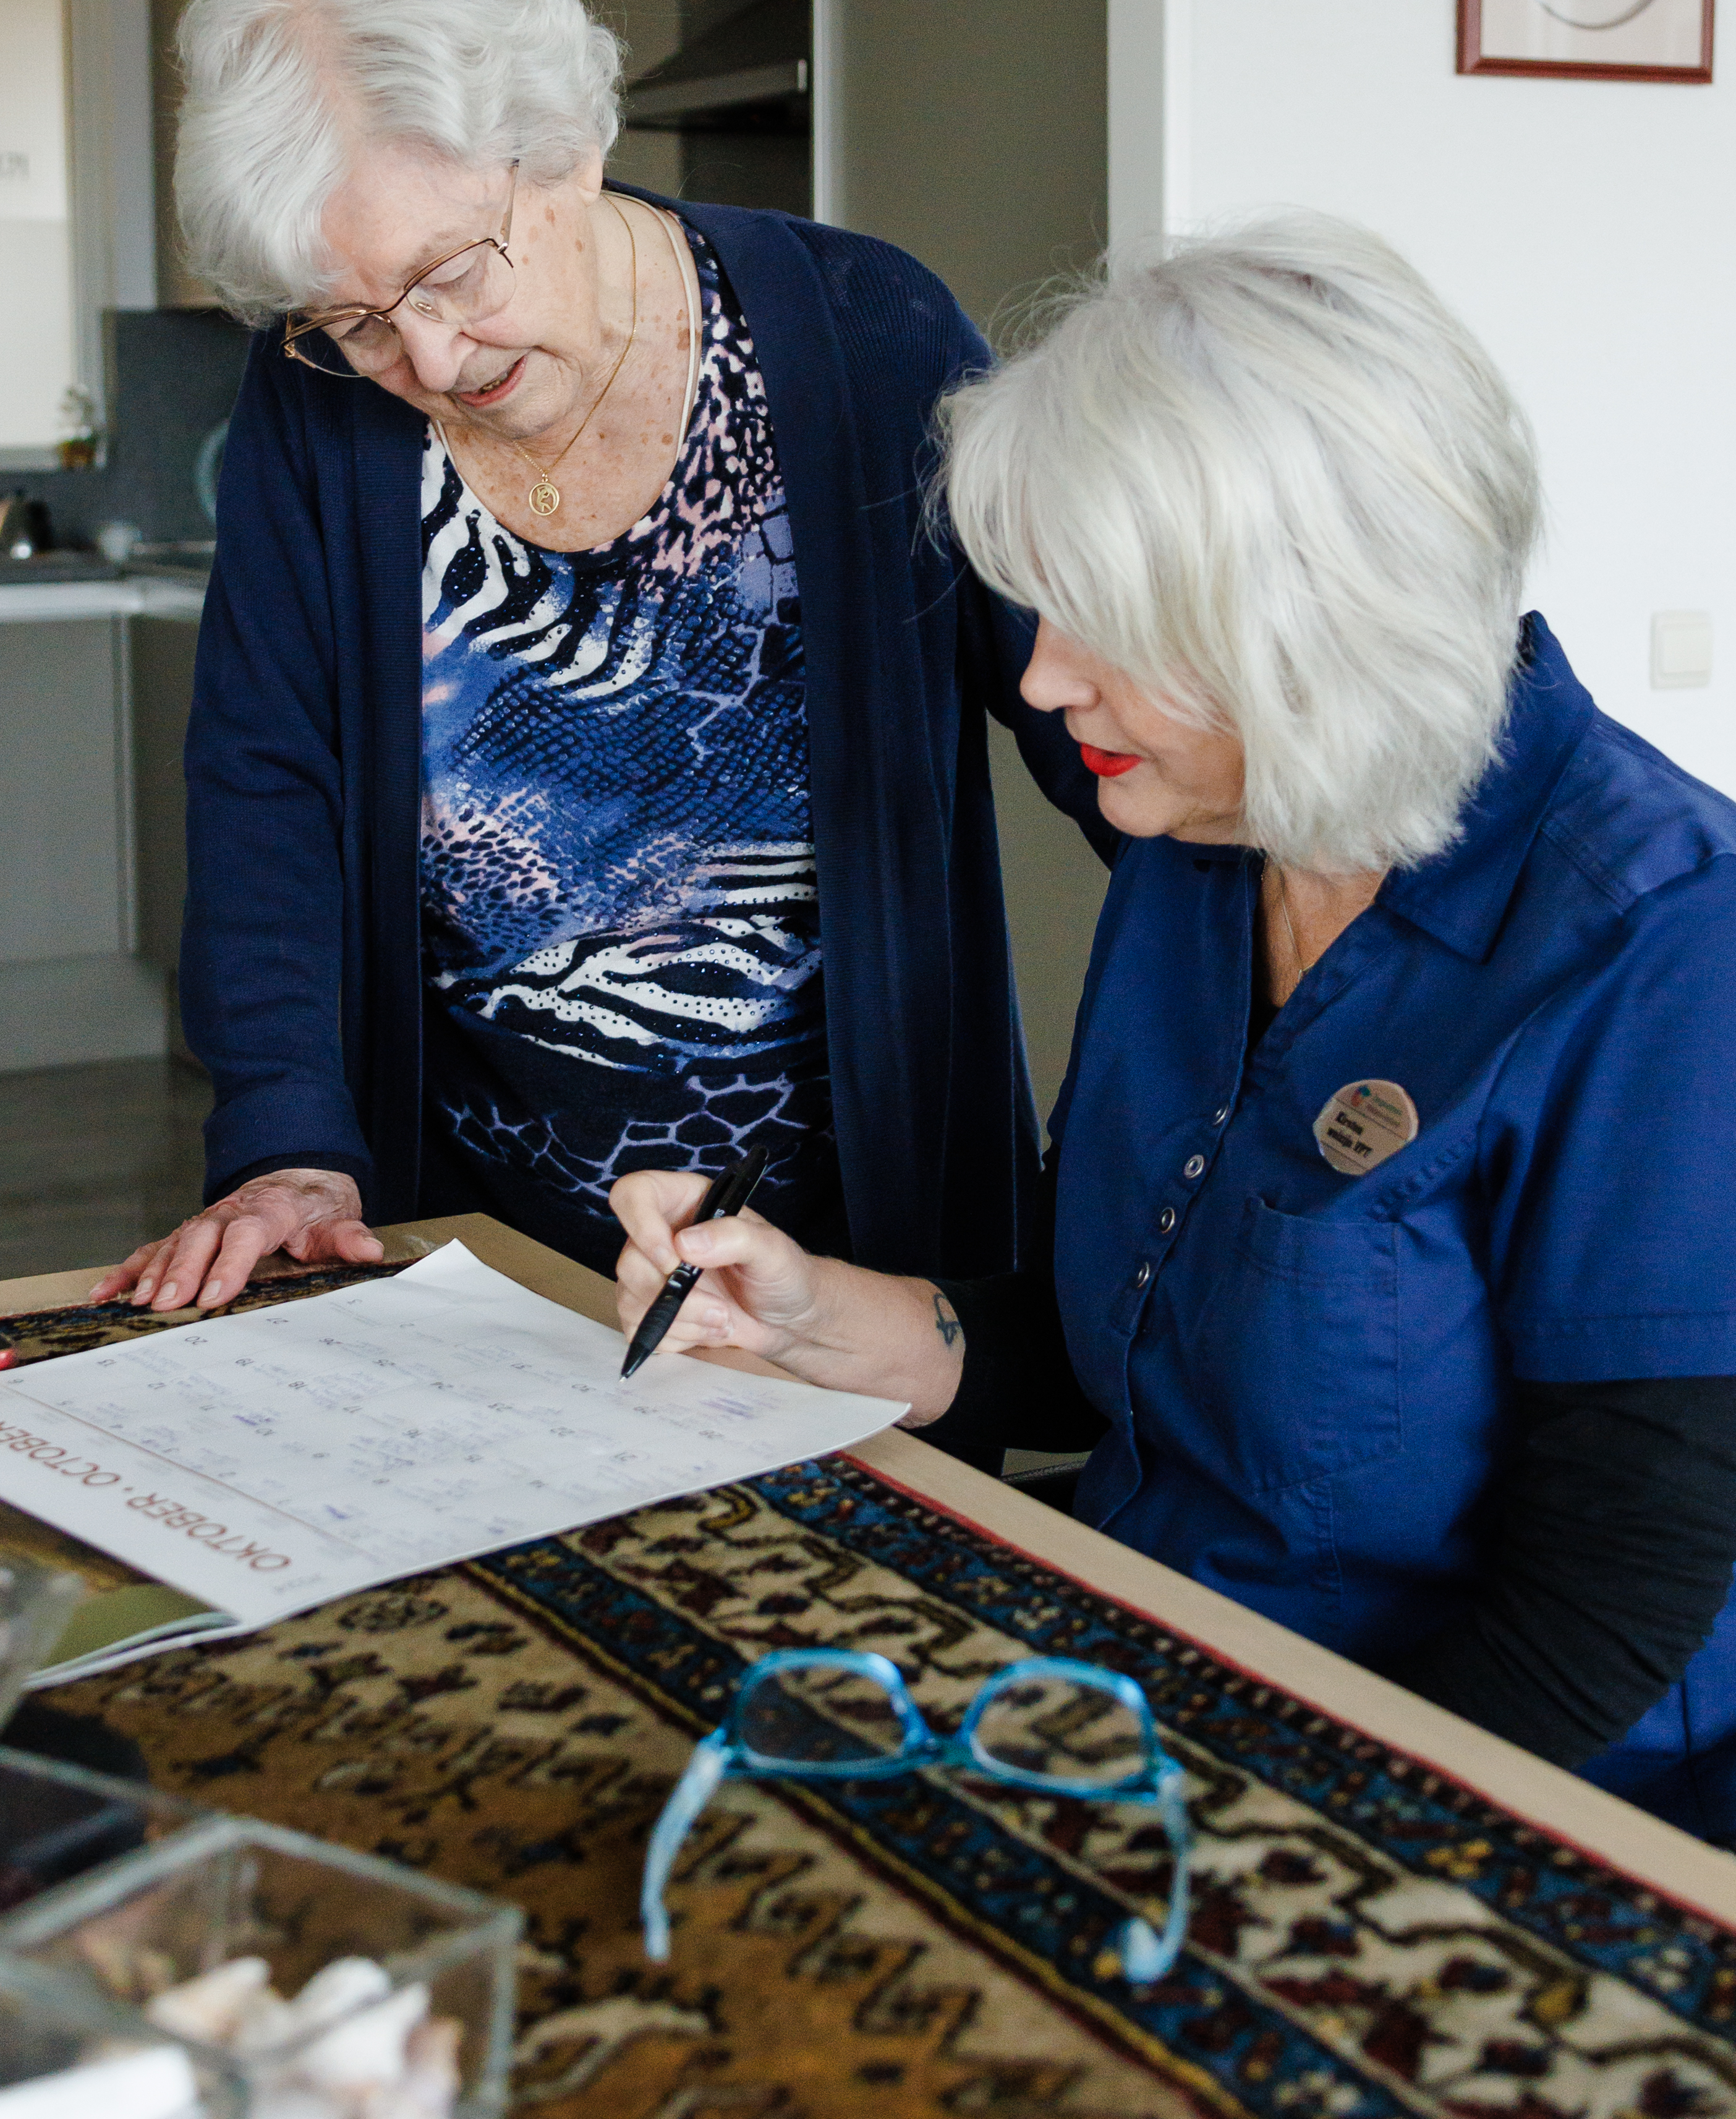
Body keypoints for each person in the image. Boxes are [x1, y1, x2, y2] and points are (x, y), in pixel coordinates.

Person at [611, 214, 1736, 1839]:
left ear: (1314, 615)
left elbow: (1613, 1607)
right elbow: (1112, 1346)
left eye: (1101, 623)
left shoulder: (1666, 943)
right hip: (1154, 1681)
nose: (1046, 683)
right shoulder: (1203, 842)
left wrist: (1251, 1838)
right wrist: (794, 1312)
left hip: (1487, 1807)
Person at [94, 0, 1106, 1318]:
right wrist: (291, 1142)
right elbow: (269, 780)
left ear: (564, 152)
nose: (430, 362)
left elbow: (1103, 714)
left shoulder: (871, 337)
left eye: (450, 274)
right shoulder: (314, 414)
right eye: (355, 325)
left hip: (855, 1249)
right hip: (462, 1249)